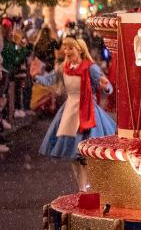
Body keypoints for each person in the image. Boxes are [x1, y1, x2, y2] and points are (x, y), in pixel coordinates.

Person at [33, 37, 116, 191]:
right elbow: (50, 79)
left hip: (87, 111)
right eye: (65, 48)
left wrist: (106, 87)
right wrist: (36, 76)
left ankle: (86, 187)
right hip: (69, 112)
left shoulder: (90, 68)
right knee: (73, 153)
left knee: (85, 153)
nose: (67, 51)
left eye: (70, 48)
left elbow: (106, 85)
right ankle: (81, 187)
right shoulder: (64, 67)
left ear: (79, 49)